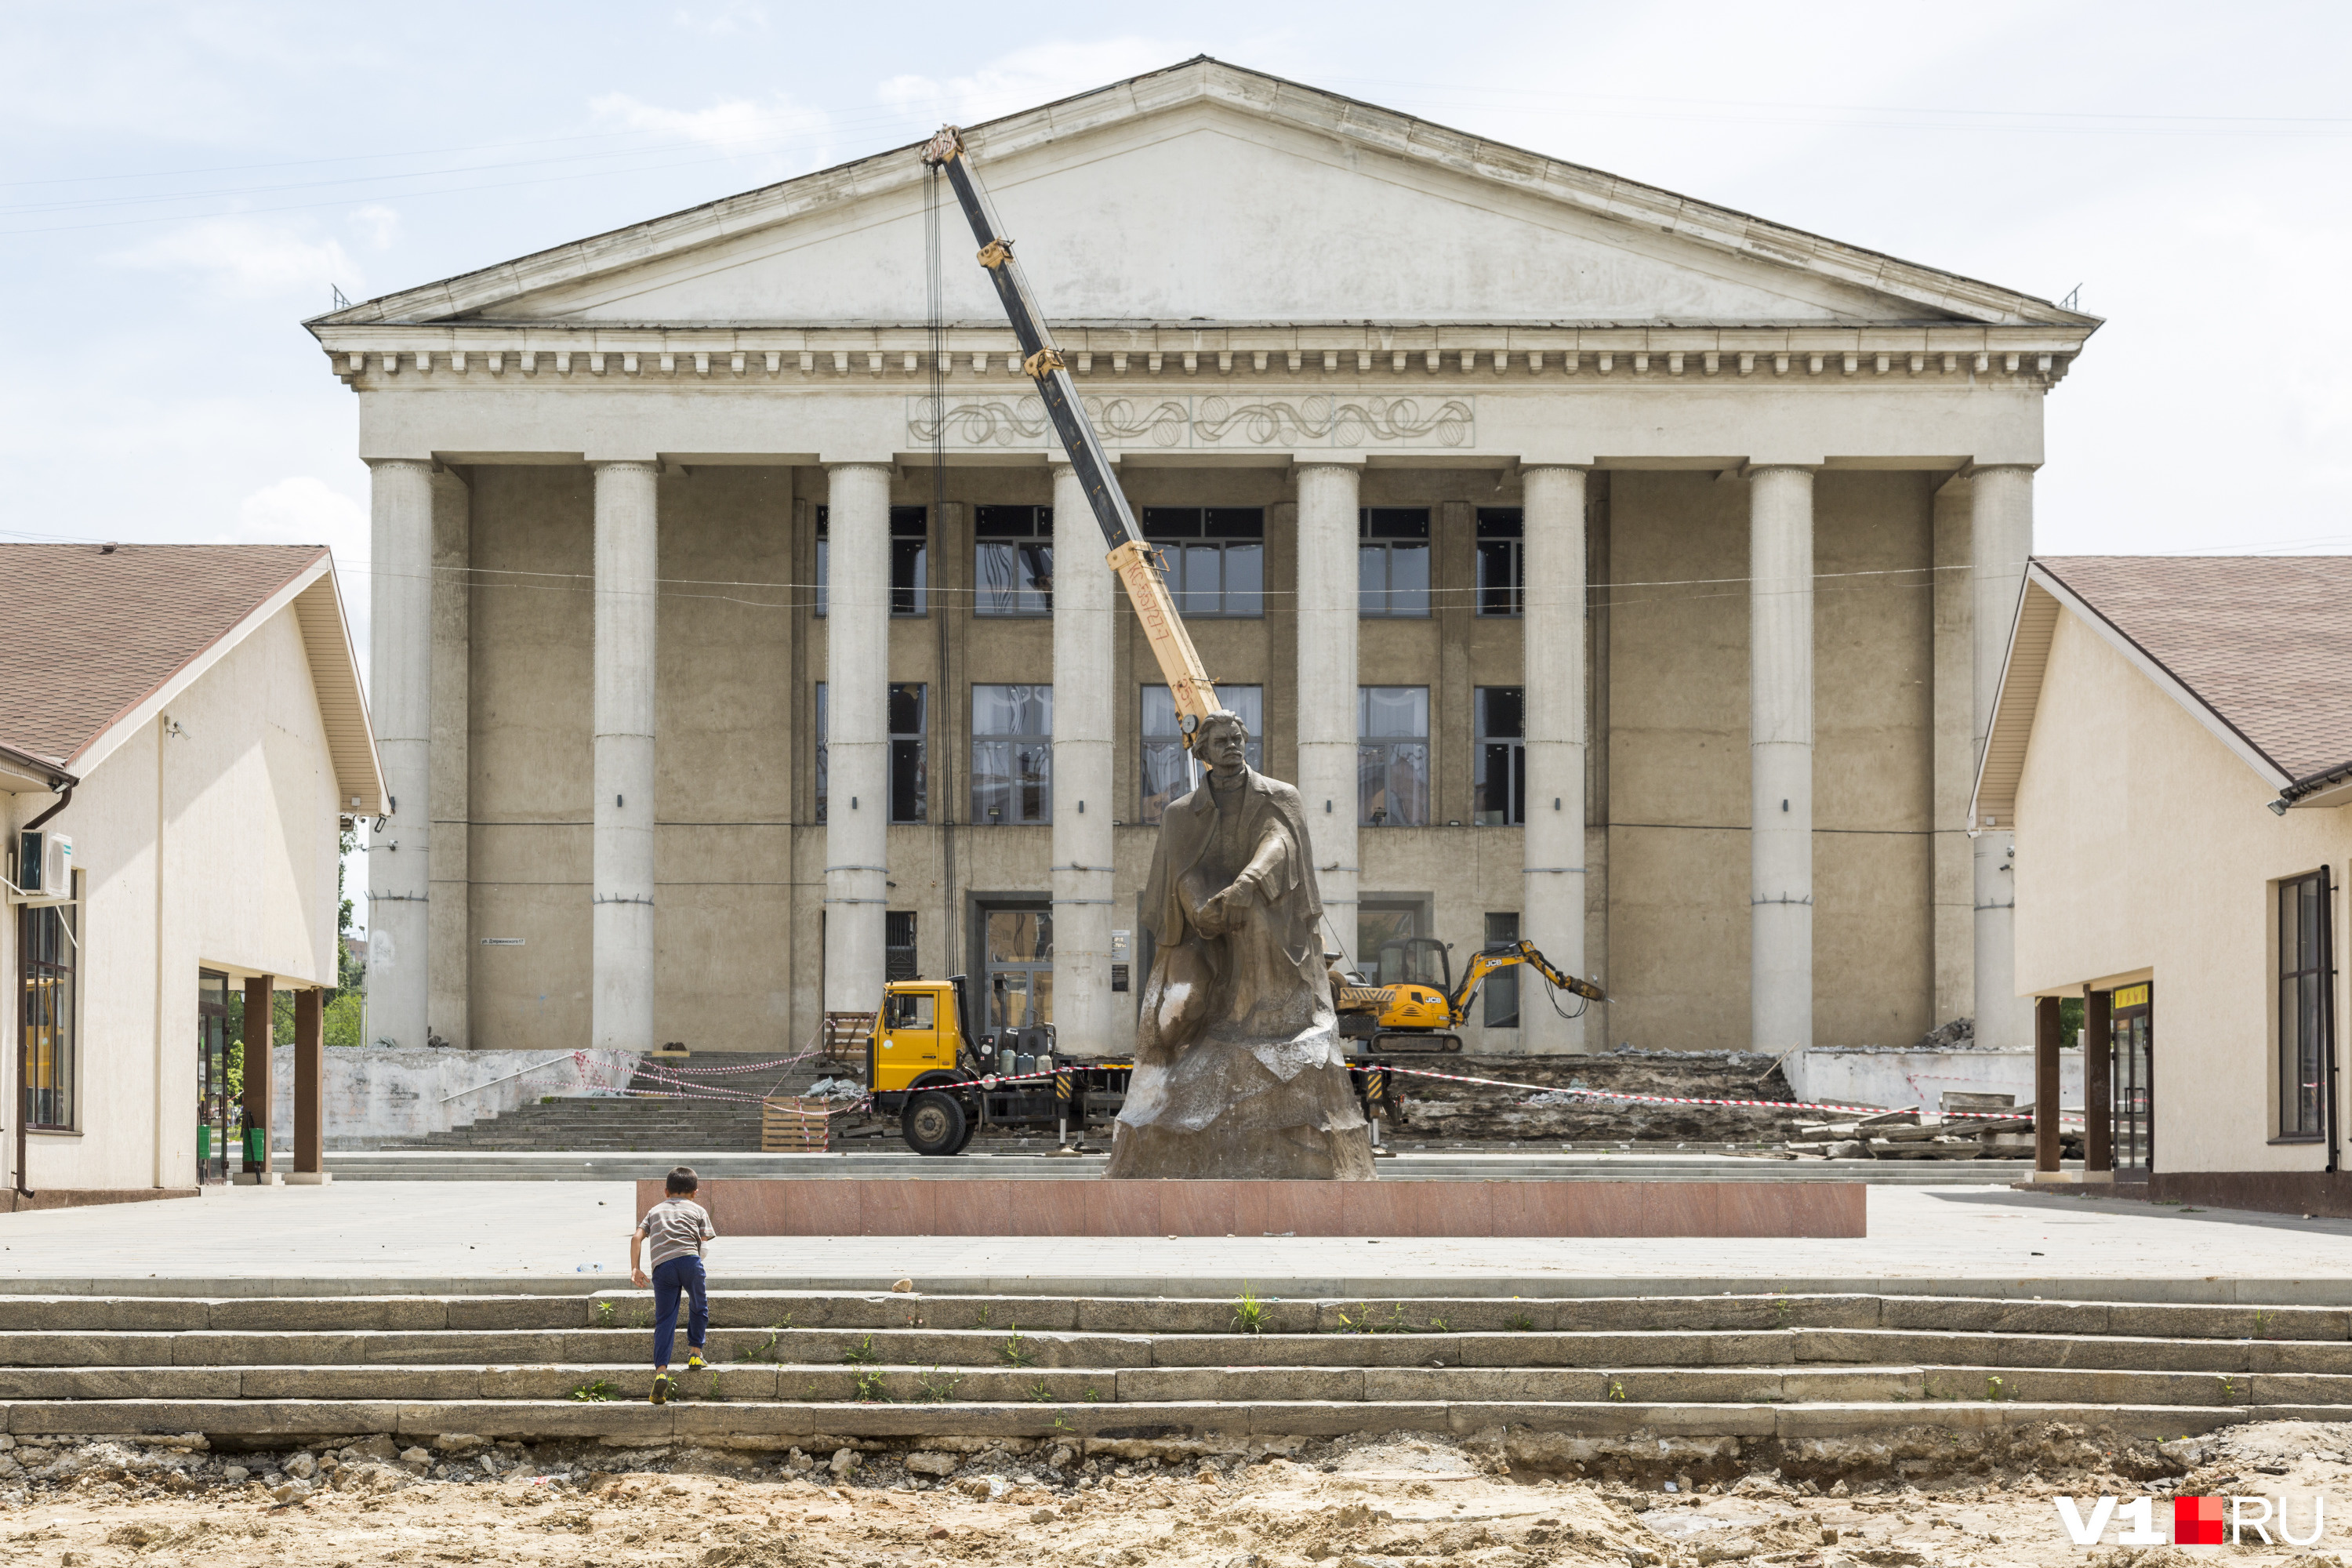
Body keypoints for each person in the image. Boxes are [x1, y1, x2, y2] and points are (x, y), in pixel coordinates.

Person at [1104, 707, 1374, 1179]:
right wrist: (1199, 908)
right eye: (1221, 741)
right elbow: (1179, 873)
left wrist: (1246, 884)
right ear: (1203, 751)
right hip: (1199, 930)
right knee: (1180, 1008)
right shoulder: (1179, 814)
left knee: (1253, 915)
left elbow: (1280, 844)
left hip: (1267, 916)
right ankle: (1187, 1052)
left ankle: (1254, 1021)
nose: (1232, 746)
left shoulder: (1279, 796)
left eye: (1237, 738)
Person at [630, 1165, 716, 1404]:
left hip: (662, 1267)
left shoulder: (654, 1211)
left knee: (665, 1319)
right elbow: (705, 1248)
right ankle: (695, 1354)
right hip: (689, 1261)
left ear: (667, 1192)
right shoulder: (698, 1210)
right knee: (699, 1306)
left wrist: (635, 1268)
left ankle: (661, 1372)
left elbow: (637, 1237)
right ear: (695, 1192)